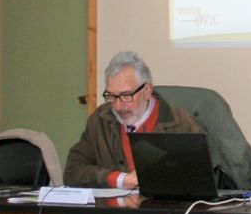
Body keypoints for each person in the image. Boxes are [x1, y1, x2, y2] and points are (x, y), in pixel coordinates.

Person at [64, 51, 202, 189]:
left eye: (126, 95)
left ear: (147, 90)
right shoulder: (100, 120)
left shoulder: (182, 125)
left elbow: (199, 182)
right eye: (111, 96)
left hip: (162, 209)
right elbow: (72, 172)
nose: (118, 106)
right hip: (113, 209)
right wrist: (117, 179)